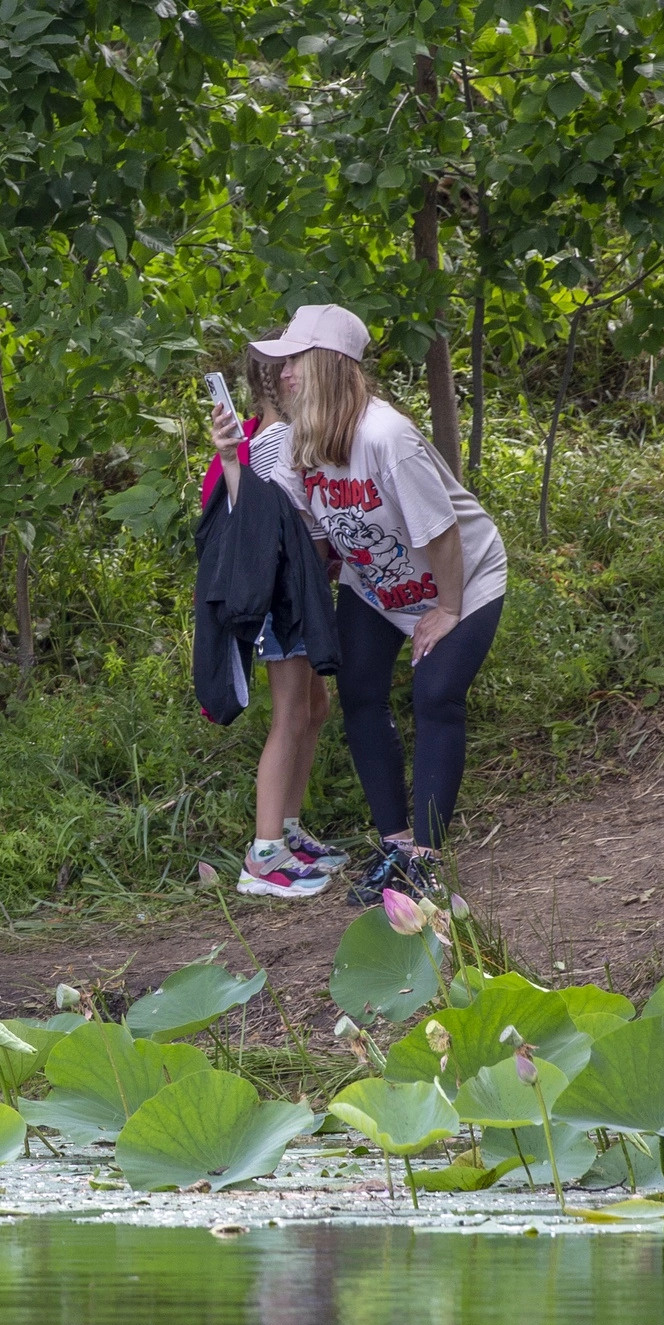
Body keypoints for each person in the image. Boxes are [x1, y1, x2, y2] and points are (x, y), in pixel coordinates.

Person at [216, 303, 507, 906]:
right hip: (375, 585)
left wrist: (448, 609)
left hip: (464, 578)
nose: (283, 373)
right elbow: (292, 525)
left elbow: (443, 532)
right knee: (360, 692)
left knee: (435, 694)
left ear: (326, 365)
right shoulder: (299, 438)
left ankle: (425, 862)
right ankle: (396, 845)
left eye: (294, 360)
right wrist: (230, 463)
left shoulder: (386, 436)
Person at [200, 353, 347, 901]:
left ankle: (286, 831)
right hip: (286, 596)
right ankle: (264, 857)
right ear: (280, 376)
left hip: (300, 594)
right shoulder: (275, 443)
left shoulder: (272, 440)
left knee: (314, 707)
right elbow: (269, 522)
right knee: (289, 715)